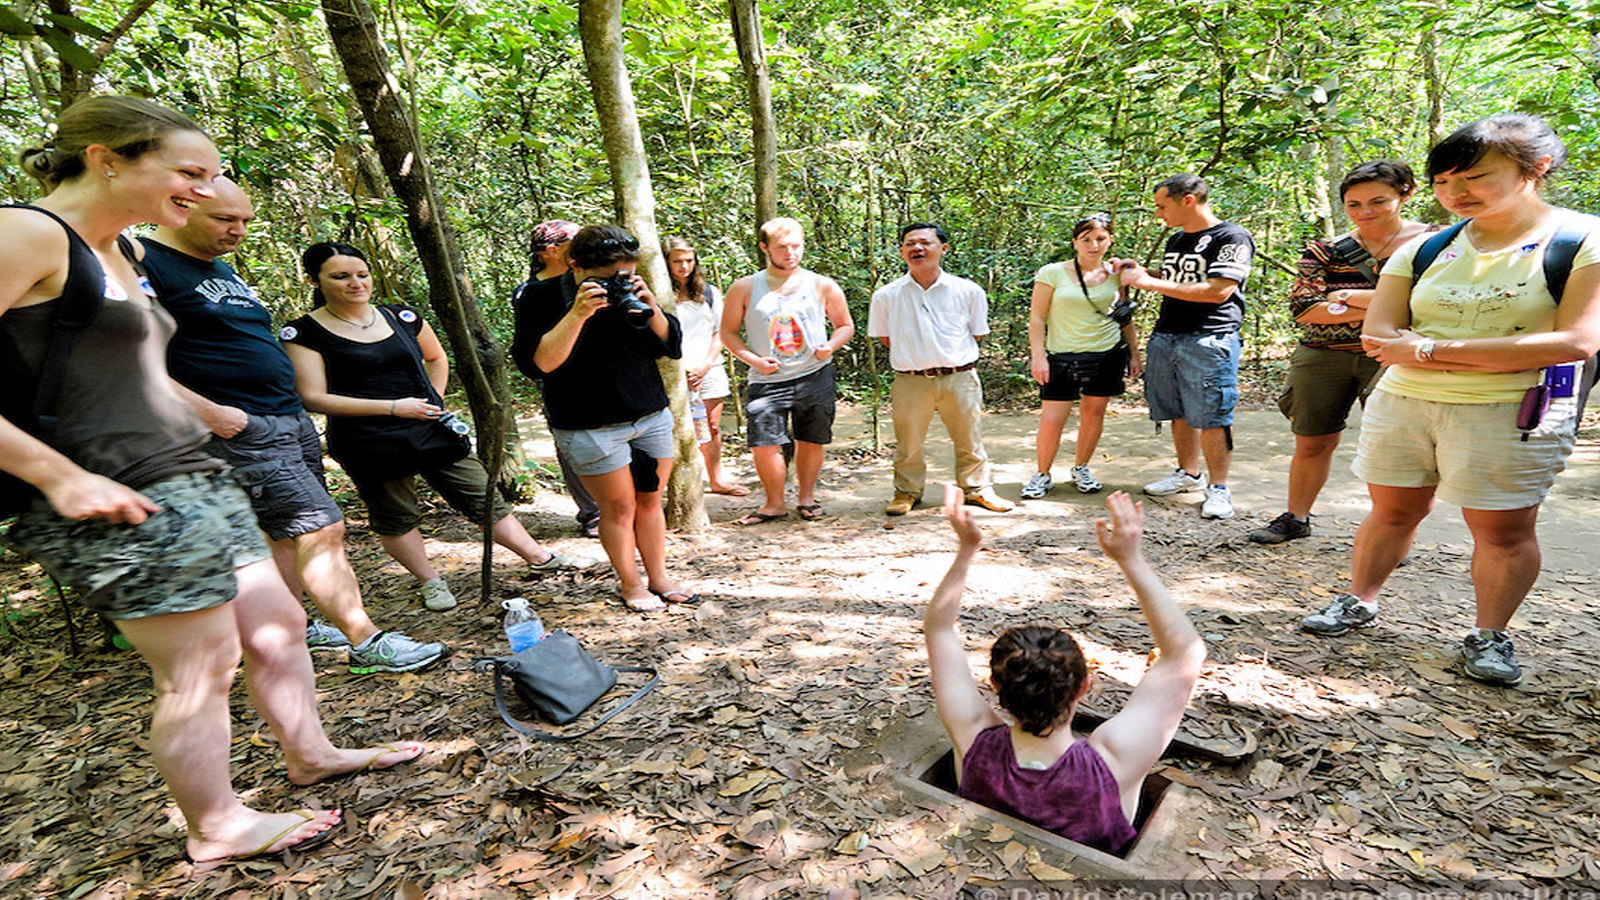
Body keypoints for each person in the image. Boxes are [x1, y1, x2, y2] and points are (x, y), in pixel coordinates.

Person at [0, 95, 421, 865]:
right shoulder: (25, 231)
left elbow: (135, 368)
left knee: (278, 627)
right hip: (115, 489)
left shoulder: (117, 252)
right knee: (199, 666)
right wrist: (56, 477)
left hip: (193, 473)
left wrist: (214, 422)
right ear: (107, 159)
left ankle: (310, 752)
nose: (204, 188)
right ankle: (217, 825)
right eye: (189, 170)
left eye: (213, 173)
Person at [1299, 114, 1600, 686]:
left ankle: (1490, 634)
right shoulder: (1427, 247)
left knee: (1503, 531)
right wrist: (1477, 351)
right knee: (1392, 510)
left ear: (1535, 169)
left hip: (1512, 409)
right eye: (1442, 182)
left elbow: (1575, 341)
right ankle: (1360, 600)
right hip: (1406, 402)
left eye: (1474, 178)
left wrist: (1430, 349)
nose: (1454, 194)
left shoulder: (1581, 239)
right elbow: (1379, 336)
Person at [142, 178, 446, 674]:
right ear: (178, 207)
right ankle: (365, 642)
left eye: (244, 221)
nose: (237, 231)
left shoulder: (214, 267)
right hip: (238, 427)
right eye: (224, 220)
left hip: (284, 418)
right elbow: (125, 358)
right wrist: (213, 415)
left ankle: (295, 624)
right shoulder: (143, 261)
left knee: (281, 534)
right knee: (321, 527)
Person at [281, 242, 583, 613]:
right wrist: (393, 408)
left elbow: (436, 357)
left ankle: (538, 557)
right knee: (396, 514)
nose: (355, 283)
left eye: (361, 274)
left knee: (479, 493)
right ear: (314, 280)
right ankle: (431, 581)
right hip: (367, 439)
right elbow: (313, 397)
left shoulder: (401, 317)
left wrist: (433, 400)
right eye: (340, 276)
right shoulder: (303, 333)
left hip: (428, 425)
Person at [924, 486, 1205, 854]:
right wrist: (1130, 560)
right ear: (1083, 686)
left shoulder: (972, 737)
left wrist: (967, 549)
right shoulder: (1114, 758)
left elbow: (939, 629)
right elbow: (1185, 652)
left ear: (995, 685)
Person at [510, 225, 699, 613]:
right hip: (588, 423)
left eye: (625, 274)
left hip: (649, 412)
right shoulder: (538, 297)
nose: (617, 283)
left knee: (650, 500)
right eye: (607, 277)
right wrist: (578, 313)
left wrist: (648, 303)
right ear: (574, 265)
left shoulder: (630, 290)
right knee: (619, 509)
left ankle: (659, 577)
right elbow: (540, 364)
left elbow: (672, 346)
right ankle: (631, 584)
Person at [1249, 162, 1433, 545]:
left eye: (1378, 201)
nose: (1365, 212)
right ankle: (1295, 518)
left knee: (1393, 446)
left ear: (1405, 194)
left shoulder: (1435, 243)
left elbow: (1432, 302)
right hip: (1322, 354)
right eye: (1354, 204)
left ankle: (1391, 533)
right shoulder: (1326, 249)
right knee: (1312, 439)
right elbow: (1304, 307)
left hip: (1394, 356)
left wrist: (1345, 296)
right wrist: (1391, 302)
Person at [1117, 174, 1255, 520]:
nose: (1159, 214)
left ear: (1188, 200)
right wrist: (1135, 270)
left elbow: (1217, 290)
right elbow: (1174, 281)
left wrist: (1147, 283)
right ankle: (1188, 474)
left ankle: (1219, 488)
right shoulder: (1177, 239)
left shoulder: (1231, 237)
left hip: (1209, 336)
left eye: (1162, 206)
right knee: (1177, 410)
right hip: (1168, 334)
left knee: (1212, 414)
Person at [869, 223, 1012, 516]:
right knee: (908, 443)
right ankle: (906, 492)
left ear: (943, 249)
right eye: (909, 244)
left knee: (969, 438)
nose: (917, 249)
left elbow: (976, 333)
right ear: (901, 251)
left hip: (959, 376)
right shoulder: (887, 295)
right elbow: (886, 338)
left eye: (925, 243)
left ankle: (977, 489)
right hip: (910, 380)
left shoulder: (968, 291)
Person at [719, 217, 855, 524]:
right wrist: (753, 360)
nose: (791, 252)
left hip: (815, 373)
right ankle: (774, 503)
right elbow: (728, 333)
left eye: (796, 245)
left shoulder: (822, 284)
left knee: (811, 438)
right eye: (782, 247)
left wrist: (830, 346)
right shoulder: (744, 288)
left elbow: (845, 325)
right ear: (765, 248)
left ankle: (806, 498)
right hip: (767, 379)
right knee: (765, 443)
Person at [1021, 214, 1142, 500]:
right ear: (1075, 241)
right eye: (1086, 239)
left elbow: (1124, 317)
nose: (1093, 245)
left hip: (1106, 354)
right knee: (1052, 419)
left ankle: (1081, 467)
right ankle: (1042, 473)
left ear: (1110, 240)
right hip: (1061, 356)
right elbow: (1037, 318)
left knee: (1093, 413)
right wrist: (1038, 356)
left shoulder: (1116, 275)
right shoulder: (1052, 272)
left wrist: (1135, 353)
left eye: (1100, 239)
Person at [516, 220, 600, 538]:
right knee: (573, 447)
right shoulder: (529, 293)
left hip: (605, 378)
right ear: (552, 251)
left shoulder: (589, 278)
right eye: (573, 242)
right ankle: (592, 512)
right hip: (562, 384)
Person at [665, 234, 748, 497]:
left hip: (709, 369)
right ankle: (676, 485)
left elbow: (721, 331)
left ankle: (716, 480)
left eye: (689, 260)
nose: (684, 266)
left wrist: (706, 364)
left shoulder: (709, 293)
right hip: (671, 372)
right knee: (671, 429)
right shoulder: (658, 293)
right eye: (677, 261)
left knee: (711, 427)